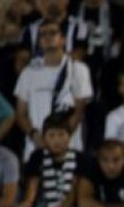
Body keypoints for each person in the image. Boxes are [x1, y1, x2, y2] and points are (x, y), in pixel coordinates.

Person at [14, 18, 93, 158]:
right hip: (37, 145)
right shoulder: (29, 72)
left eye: (52, 33)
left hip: (69, 145)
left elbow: (79, 111)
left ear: (63, 39)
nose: (48, 37)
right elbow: (20, 113)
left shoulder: (78, 69)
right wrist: (34, 135)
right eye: (43, 34)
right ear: (39, 42)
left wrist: (60, 139)